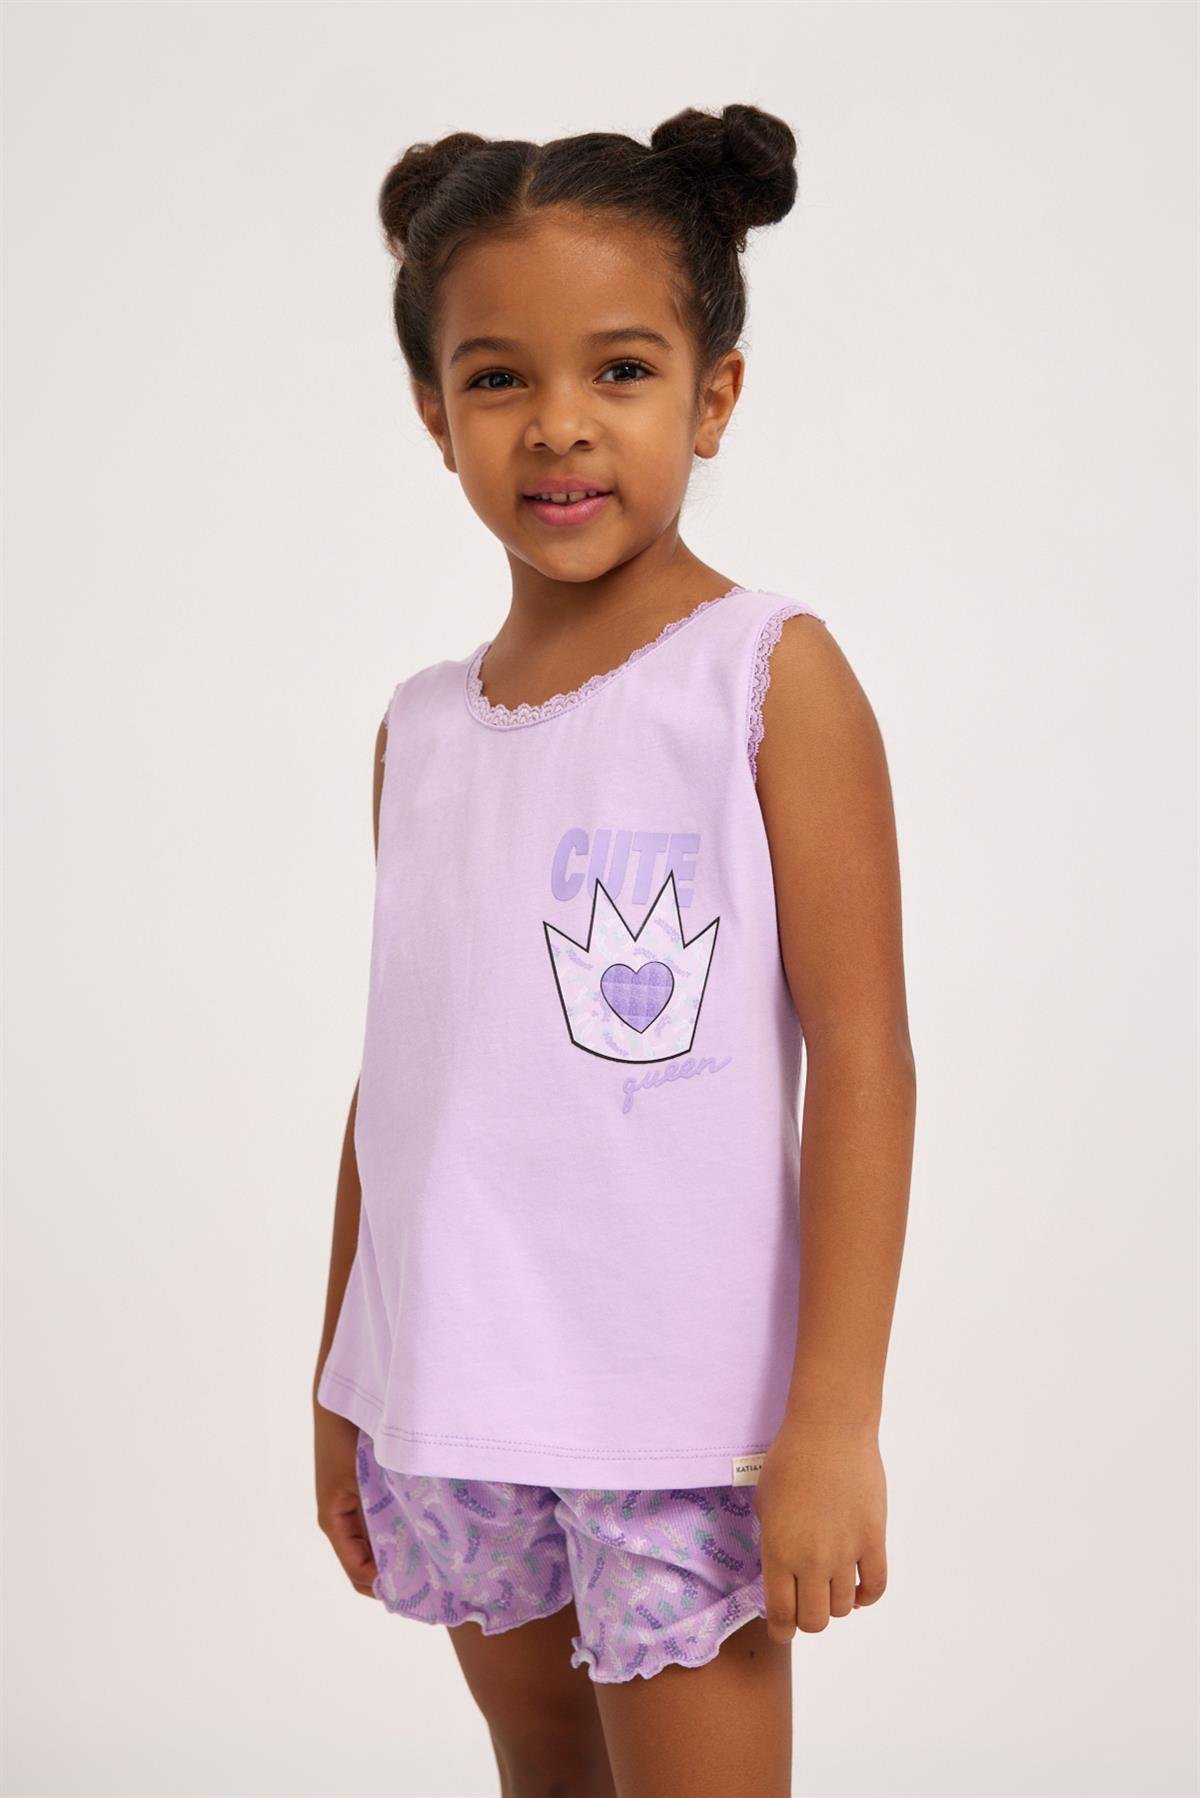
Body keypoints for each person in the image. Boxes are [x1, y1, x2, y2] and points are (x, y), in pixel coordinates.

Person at [312, 101, 917, 1798]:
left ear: (715, 394)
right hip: (450, 1387)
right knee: (541, 1756)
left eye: (624, 371)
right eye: (499, 376)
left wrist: (834, 1416)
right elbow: (399, 1077)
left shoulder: (765, 676)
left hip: (683, 1422)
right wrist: (343, 1375)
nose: (560, 423)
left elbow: (864, 1053)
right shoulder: (421, 730)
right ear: (433, 410)